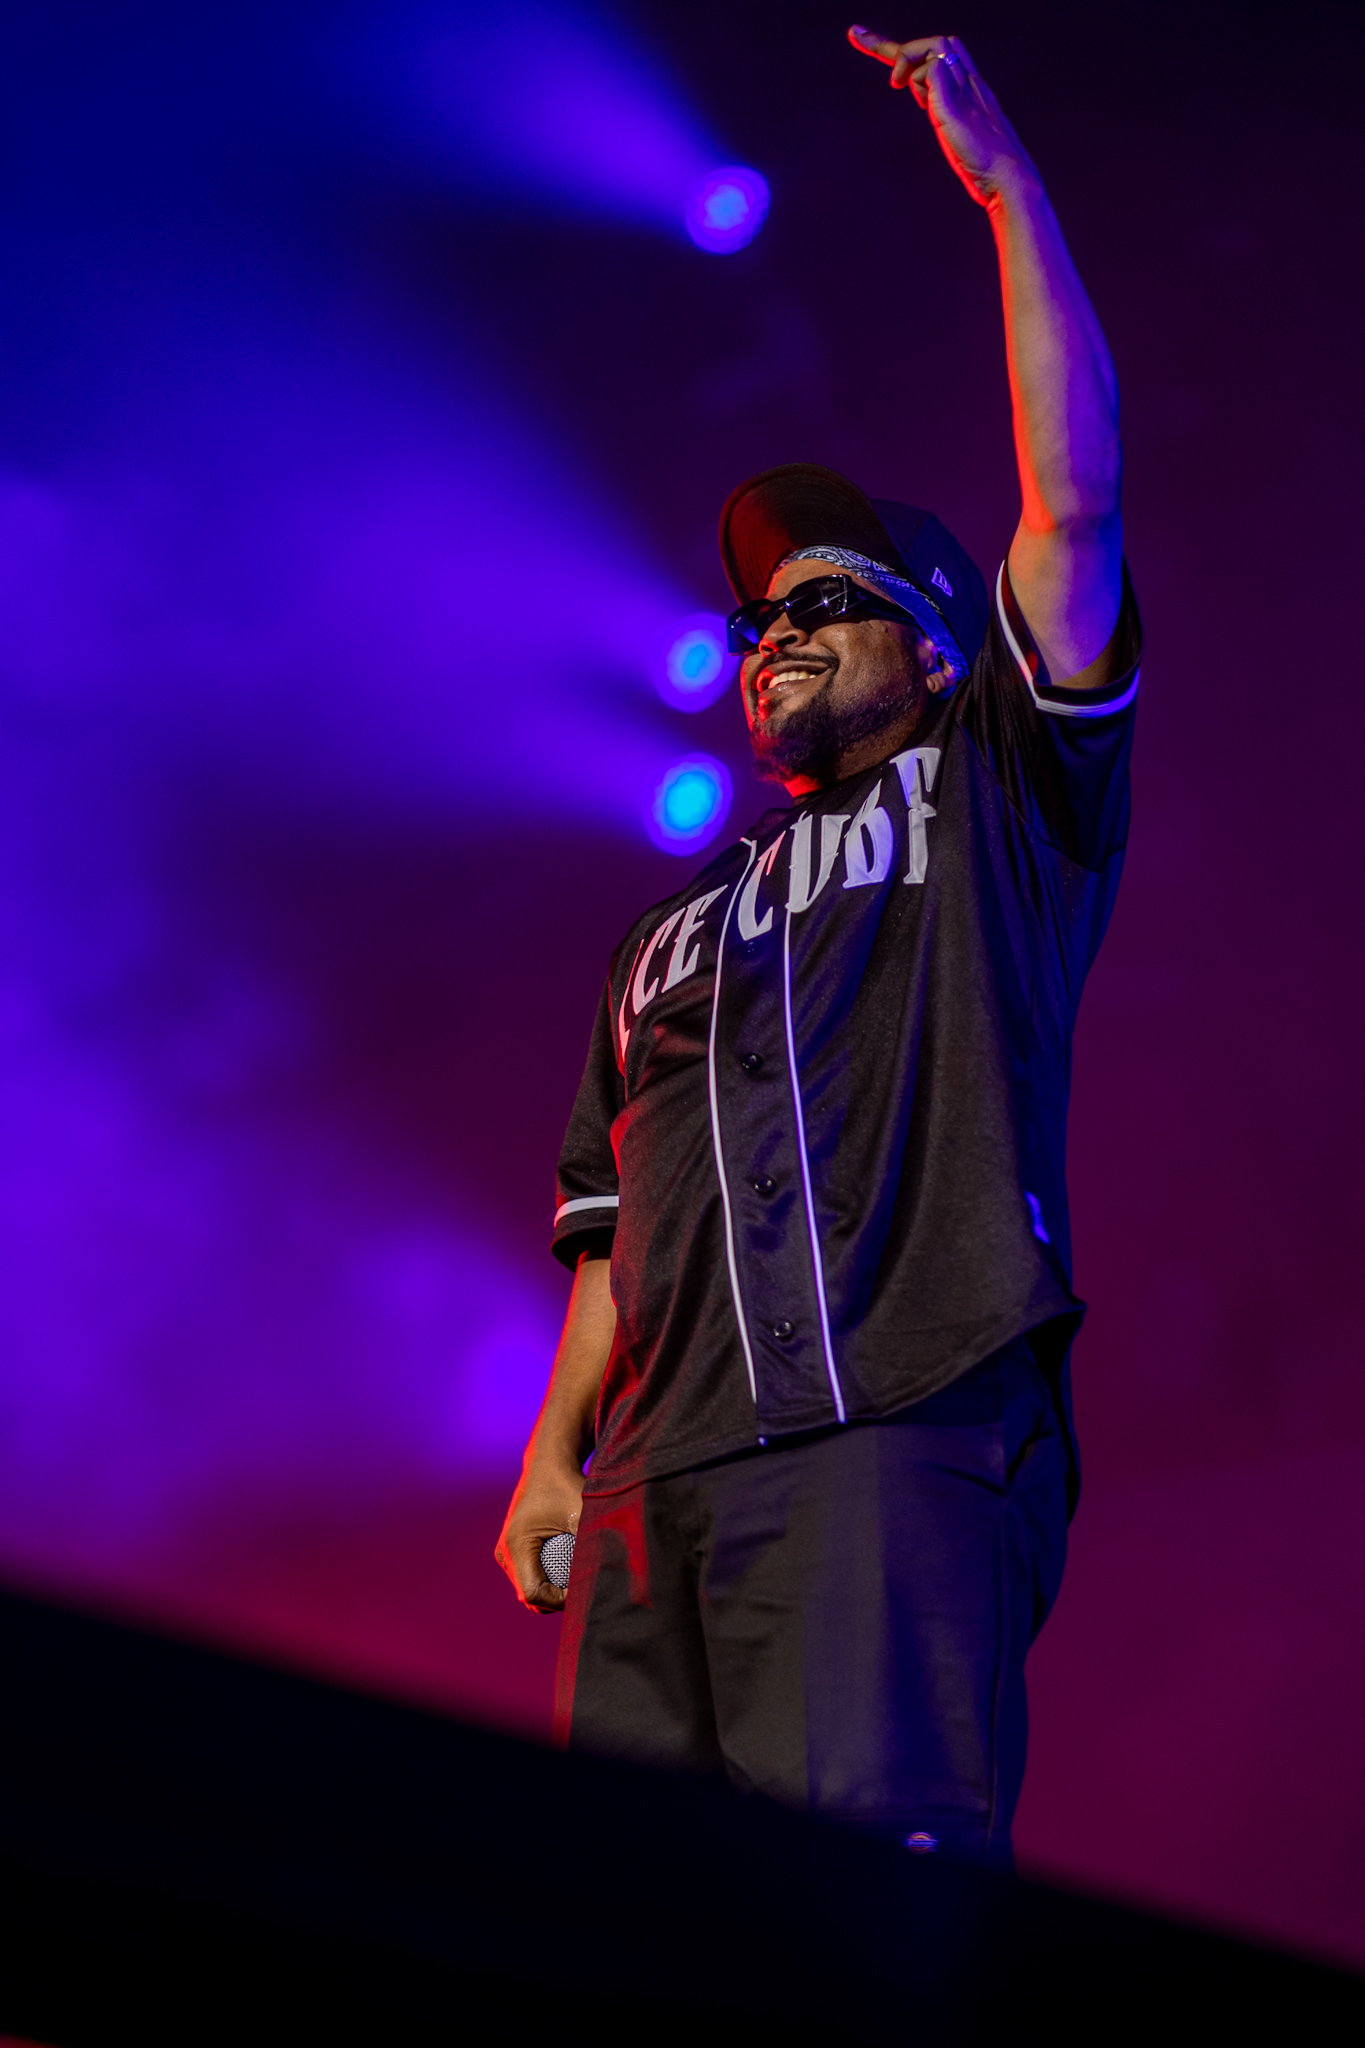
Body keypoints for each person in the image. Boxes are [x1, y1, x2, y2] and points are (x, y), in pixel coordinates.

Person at [495, 26, 1140, 1865]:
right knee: (620, 1936)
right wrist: (557, 1451)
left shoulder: (992, 792)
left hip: (893, 1425)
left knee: (864, 1914)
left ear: (934, 645)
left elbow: (1073, 505)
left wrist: (1006, 193)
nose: (770, 634)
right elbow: (609, 1221)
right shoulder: (661, 931)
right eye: (751, 621)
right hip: (655, 1482)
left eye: (826, 603)